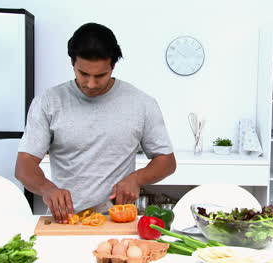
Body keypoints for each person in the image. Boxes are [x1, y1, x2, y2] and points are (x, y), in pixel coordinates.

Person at [15, 23, 176, 224]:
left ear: (113, 66)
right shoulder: (48, 102)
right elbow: (24, 165)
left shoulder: (142, 103)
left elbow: (167, 161)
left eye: (100, 75)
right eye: (83, 74)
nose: (91, 84)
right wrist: (47, 188)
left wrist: (137, 178)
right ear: (72, 63)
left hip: (118, 221)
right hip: (65, 220)